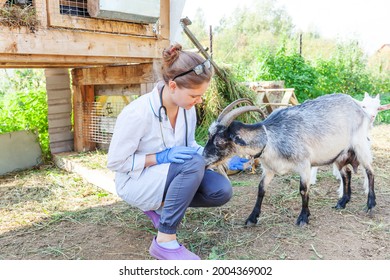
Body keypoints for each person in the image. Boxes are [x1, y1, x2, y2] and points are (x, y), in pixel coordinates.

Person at [107, 43, 235, 260]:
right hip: (135, 181)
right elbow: (116, 163)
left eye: (201, 95)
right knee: (192, 164)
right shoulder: (136, 114)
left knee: (221, 190)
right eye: (195, 95)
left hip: (170, 176)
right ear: (173, 86)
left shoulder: (188, 109)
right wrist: (159, 157)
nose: (199, 100)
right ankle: (165, 241)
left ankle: (160, 208)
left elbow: (188, 144)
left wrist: (217, 155)